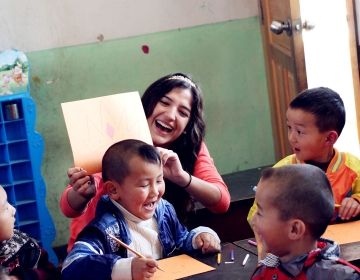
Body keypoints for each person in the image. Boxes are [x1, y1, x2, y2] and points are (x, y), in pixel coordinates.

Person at [60, 72, 230, 251]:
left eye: (183, 112)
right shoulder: (118, 140)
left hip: (154, 251)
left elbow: (222, 202)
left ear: (188, 125)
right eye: (164, 102)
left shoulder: (190, 147)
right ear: (148, 104)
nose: (171, 115)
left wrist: (181, 177)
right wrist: (81, 193)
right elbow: (68, 207)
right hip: (101, 252)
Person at [61, 139, 221, 280]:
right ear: (113, 190)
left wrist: (200, 238)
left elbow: (181, 240)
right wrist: (125, 268)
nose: (155, 192)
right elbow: (71, 266)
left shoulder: (163, 210)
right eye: (144, 185)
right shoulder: (105, 228)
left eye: (159, 180)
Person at [248, 87, 360, 224]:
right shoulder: (280, 173)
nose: (291, 138)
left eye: (300, 132)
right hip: (296, 244)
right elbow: (254, 218)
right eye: (289, 128)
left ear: (329, 138)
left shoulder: (353, 168)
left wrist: (356, 201)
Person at [250, 165, 360, 279]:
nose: (253, 221)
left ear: (294, 229)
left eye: (260, 214)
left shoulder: (342, 277)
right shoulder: (264, 271)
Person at [0, 185, 60, 280]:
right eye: (5, 207)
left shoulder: (26, 247)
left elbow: (50, 273)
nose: (13, 210)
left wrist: (19, 277)